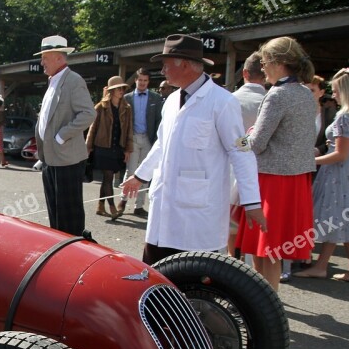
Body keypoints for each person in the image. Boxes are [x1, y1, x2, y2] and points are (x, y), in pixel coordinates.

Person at [122, 34, 265, 265]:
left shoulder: (222, 101)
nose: (163, 70)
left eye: (166, 65)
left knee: (193, 276)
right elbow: (161, 143)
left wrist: (251, 202)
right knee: (157, 272)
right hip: (164, 208)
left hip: (198, 213)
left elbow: (241, 152)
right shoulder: (170, 101)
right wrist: (139, 176)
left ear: (185, 65)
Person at [234, 36, 317, 291]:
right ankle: (265, 302)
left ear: (278, 63)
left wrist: (238, 140)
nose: (263, 68)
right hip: (295, 180)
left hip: (272, 180)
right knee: (271, 250)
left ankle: (266, 308)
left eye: (265, 62)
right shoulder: (305, 93)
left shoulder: (277, 95)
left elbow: (256, 143)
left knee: (266, 248)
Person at [295, 69, 349, 284]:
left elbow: (340, 154)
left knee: (335, 217)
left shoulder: (344, 116)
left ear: (346, 91)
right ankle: (346, 270)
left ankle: (326, 267)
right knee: (344, 218)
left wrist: (310, 161)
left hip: (339, 172)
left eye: (336, 90)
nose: (334, 94)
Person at [34, 35, 96, 236]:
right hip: (50, 159)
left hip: (67, 159)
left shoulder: (73, 80)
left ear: (59, 57)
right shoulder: (53, 81)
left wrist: (61, 136)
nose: (42, 62)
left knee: (69, 218)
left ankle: (74, 256)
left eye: (45, 57)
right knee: (55, 214)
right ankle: (60, 254)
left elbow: (88, 113)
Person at [229, 53, 266, 261]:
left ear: (244, 73)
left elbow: (238, 140)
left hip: (232, 165)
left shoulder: (231, 100)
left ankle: (232, 258)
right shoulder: (269, 99)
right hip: (262, 168)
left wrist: (241, 144)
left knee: (230, 221)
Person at [86, 76, 132, 220]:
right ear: (111, 90)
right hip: (103, 147)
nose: (121, 91)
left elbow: (129, 129)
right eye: (118, 88)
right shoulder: (101, 107)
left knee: (108, 177)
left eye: (123, 88)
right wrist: (88, 146)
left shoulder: (127, 108)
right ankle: (112, 207)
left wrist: (128, 149)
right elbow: (92, 128)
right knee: (108, 177)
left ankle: (100, 206)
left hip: (117, 148)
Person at [121, 67, 163, 216]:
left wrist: (157, 140)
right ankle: (123, 200)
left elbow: (159, 120)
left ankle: (139, 205)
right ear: (136, 80)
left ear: (148, 82)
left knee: (145, 172)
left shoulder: (156, 98)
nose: (143, 83)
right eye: (140, 80)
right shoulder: (127, 98)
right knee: (130, 170)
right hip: (132, 138)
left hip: (148, 138)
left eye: (145, 81)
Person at [308, 75, 335, 157]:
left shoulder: (329, 113)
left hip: (319, 160)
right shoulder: (295, 111)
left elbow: (333, 139)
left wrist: (319, 150)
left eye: (312, 90)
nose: (308, 93)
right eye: (305, 90)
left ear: (321, 93)